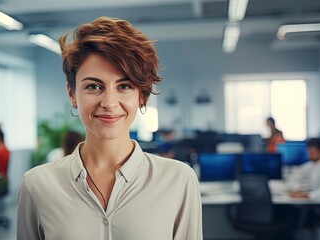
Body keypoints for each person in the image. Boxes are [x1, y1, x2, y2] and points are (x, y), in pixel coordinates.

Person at [18, 17, 202, 239]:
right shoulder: (37, 184)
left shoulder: (179, 180)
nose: (109, 102)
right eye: (94, 86)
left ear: (141, 95)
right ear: (72, 94)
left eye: (124, 86)